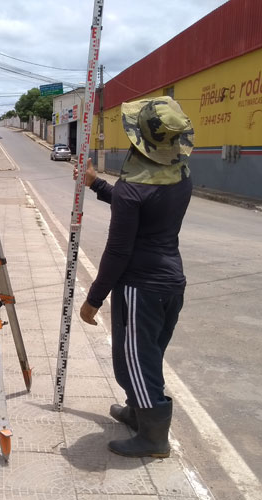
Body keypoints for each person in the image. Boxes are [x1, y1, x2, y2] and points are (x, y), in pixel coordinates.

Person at [76, 96, 194, 459]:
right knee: (148, 354)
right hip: (171, 283)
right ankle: (137, 412)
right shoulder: (181, 175)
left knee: (134, 360)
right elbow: (141, 207)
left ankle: (154, 438)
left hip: (141, 288)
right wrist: (97, 185)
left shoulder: (132, 189)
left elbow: (118, 251)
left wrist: (93, 299)